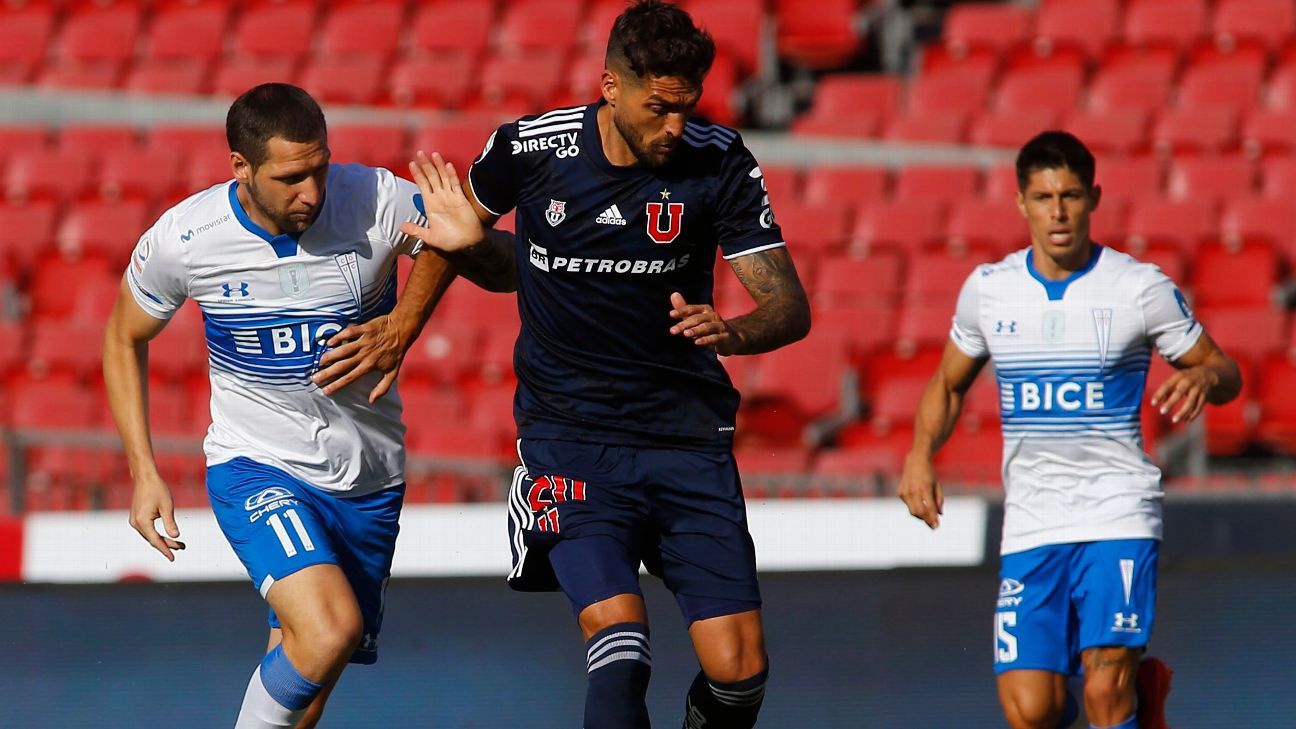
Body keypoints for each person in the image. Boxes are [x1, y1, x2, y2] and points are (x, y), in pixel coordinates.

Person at [375, 2, 809, 726]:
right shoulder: (530, 151)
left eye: (687, 106)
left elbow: (789, 305)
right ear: (611, 86)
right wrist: (400, 329)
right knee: (621, 643)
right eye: (659, 107)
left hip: (686, 441)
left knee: (739, 672)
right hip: (570, 438)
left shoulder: (719, 159)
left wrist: (733, 331)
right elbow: (456, 235)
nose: (675, 126)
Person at [102, 83, 454, 728]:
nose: (312, 192)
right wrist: (143, 471)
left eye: (319, 169)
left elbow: (469, 246)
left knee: (309, 673)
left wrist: (404, 320)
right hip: (257, 464)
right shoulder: (186, 237)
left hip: (369, 477)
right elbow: (123, 337)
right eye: (291, 177)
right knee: (328, 630)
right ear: (241, 168)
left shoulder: (374, 198)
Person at [899, 131, 1242, 729]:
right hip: (1032, 520)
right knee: (1032, 712)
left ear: (1094, 198)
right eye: (1043, 197)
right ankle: (1143, 687)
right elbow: (948, 384)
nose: (1057, 212)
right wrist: (919, 454)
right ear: (1020, 203)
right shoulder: (989, 289)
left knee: (1105, 696)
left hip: (1117, 511)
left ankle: (1127, 691)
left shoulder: (1139, 288)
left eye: (1071, 196)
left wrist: (1206, 381)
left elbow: (1224, 368)